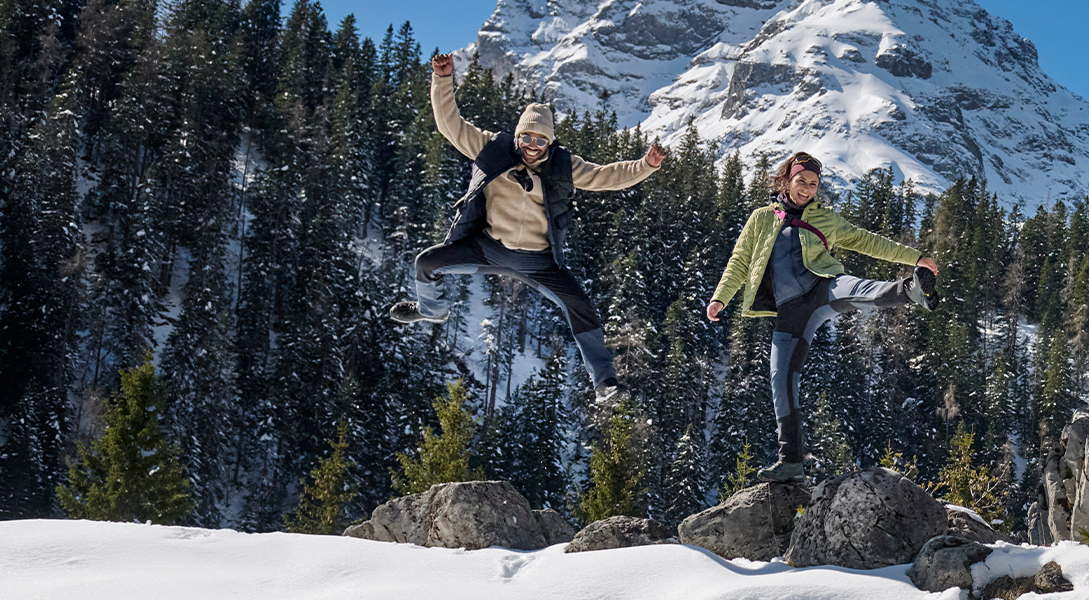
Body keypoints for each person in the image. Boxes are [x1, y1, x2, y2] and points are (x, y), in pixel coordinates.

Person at [390, 53, 665, 402]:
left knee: (580, 305)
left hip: (538, 262)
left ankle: (604, 383)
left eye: (540, 141)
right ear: (518, 136)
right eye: (527, 139)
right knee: (427, 263)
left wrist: (645, 166)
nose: (532, 148)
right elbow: (450, 125)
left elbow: (605, 177)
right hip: (489, 249)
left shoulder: (563, 166)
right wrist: (443, 80)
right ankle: (431, 310)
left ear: (550, 143)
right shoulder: (492, 149)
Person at [706, 152, 940, 482]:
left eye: (813, 184)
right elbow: (740, 260)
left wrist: (915, 257)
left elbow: (866, 241)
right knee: (780, 379)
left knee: (858, 290)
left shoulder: (825, 219)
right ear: (786, 180)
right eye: (801, 181)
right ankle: (790, 462)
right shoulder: (761, 219)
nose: (806, 189)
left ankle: (912, 290)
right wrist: (720, 298)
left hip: (822, 287)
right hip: (790, 310)